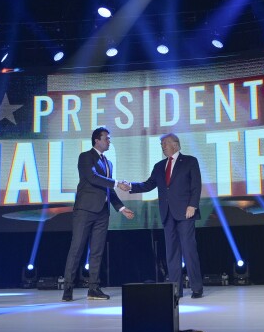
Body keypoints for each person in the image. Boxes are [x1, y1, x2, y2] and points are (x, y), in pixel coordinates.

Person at [124, 133, 203, 298]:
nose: (163, 146)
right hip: (167, 214)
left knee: (189, 250)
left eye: (165, 143)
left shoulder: (189, 161)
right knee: (172, 253)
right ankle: (176, 289)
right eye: (161, 144)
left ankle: (196, 287)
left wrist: (193, 205)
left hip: (185, 213)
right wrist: (130, 186)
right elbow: (148, 184)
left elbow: (196, 185)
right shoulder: (159, 166)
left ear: (175, 144)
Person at [62, 127, 134, 302]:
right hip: (85, 210)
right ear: (97, 140)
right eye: (107, 138)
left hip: (102, 213)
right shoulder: (86, 157)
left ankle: (93, 288)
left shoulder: (108, 163)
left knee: (97, 251)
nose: (109, 141)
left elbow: (107, 189)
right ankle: (68, 288)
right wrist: (117, 183)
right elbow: (92, 178)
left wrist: (121, 208)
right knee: (77, 248)